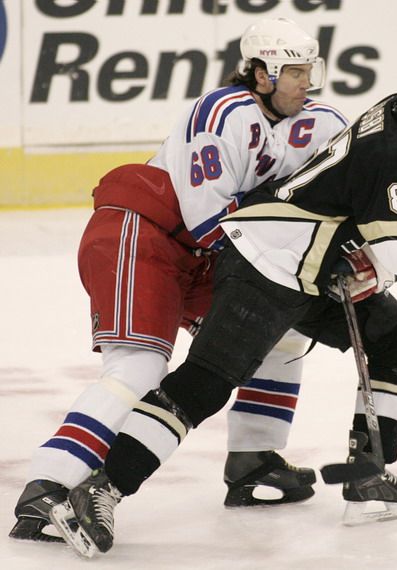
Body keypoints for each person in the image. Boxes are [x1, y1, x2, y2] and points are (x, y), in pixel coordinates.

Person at [48, 63, 397, 557]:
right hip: (267, 260)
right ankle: (98, 490)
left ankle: (368, 477)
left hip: (314, 268)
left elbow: (386, 205)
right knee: (204, 384)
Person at [9, 18, 353, 543]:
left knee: (279, 330)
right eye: (295, 72)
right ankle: (48, 486)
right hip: (145, 235)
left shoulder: (321, 122)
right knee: (141, 365)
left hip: (206, 255)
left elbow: (352, 188)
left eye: (311, 70)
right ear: (262, 75)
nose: (307, 83)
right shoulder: (222, 114)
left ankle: (254, 460)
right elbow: (209, 220)